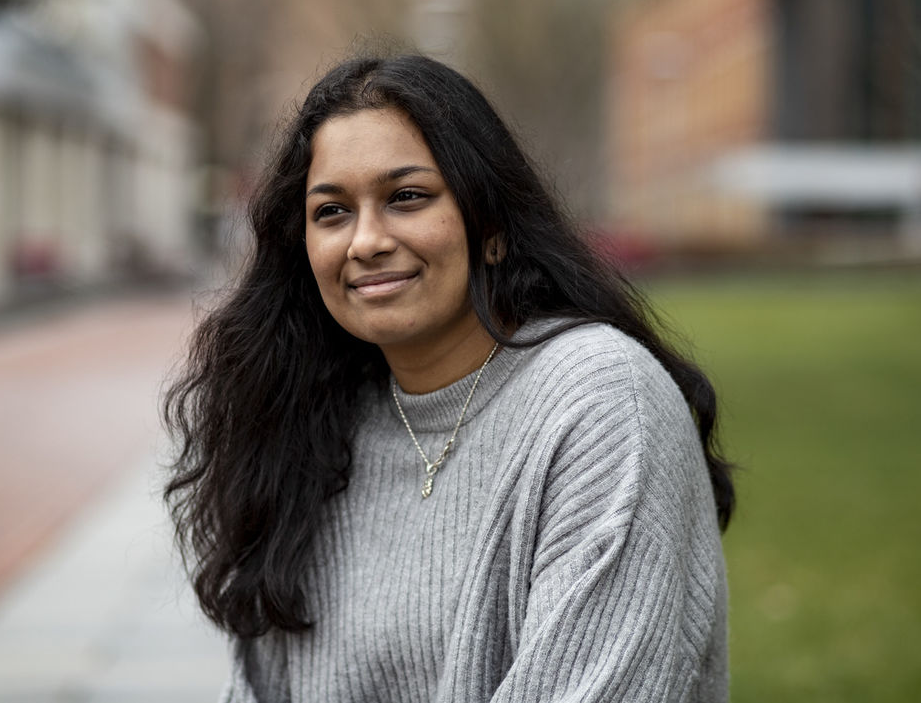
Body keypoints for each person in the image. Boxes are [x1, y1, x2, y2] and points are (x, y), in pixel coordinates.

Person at [164, 54, 734, 702]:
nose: (366, 240)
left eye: (406, 197)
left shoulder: (602, 403)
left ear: (490, 227)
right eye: (332, 211)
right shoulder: (304, 425)